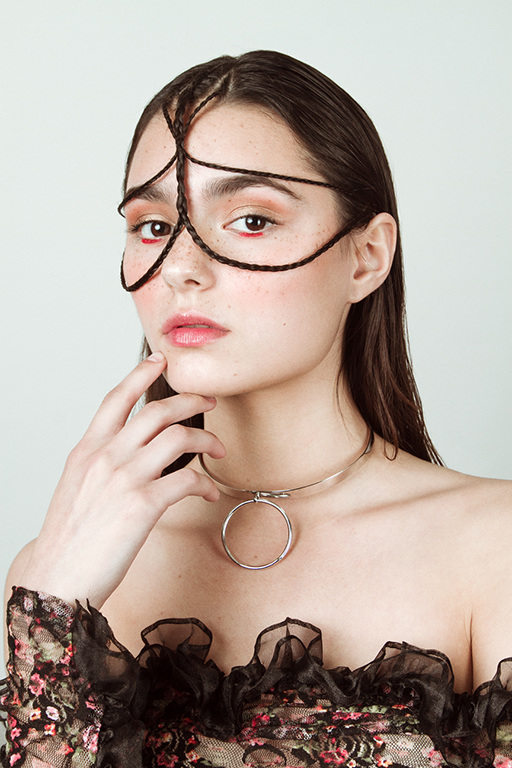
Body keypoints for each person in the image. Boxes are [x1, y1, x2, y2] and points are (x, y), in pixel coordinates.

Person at [1, 50, 511, 768]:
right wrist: (50, 605)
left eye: (250, 219)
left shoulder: (493, 545)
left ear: (366, 256)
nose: (182, 267)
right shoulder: (65, 568)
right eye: (154, 227)